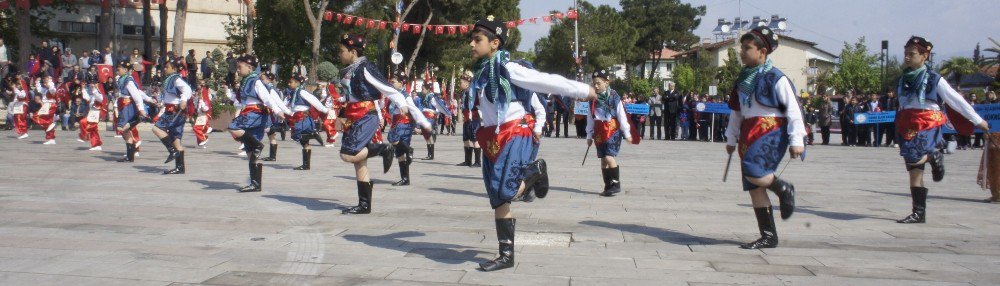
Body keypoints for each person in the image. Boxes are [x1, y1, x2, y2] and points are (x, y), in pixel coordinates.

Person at [466, 16, 596, 272]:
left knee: (507, 191)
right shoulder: (480, 73)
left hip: (516, 134)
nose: (471, 44)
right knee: (497, 198)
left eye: (477, 39)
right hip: (492, 138)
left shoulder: (509, 68)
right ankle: (506, 256)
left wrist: (583, 90)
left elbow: (546, 80)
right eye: (471, 39)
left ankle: (536, 170)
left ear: (495, 43)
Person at [723, 26, 803, 249]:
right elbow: (737, 111)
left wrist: (796, 139)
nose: (742, 53)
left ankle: (783, 188)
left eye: (747, 48)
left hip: (770, 129)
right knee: (753, 185)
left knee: (753, 170)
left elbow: (794, 110)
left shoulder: (776, 78)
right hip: (749, 131)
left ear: (762, 52)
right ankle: (768, 235)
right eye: (742, 48)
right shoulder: (742, 79)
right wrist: (731, 138)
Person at [893, 37, 989, 223]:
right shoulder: (903, 79)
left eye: (911, 54)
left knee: (915, 157)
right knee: (913, 168)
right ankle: (918, 212)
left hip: (927, 121)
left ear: (924, 56)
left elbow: (956, 100)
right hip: (907, 123)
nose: (907, 57)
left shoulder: (934, 79)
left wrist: (978, 120)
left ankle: (933, 156)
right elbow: (902, 103)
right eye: (905, 53)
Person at [334, 34, 431, 214]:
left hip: (365, 115)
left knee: (347, 154)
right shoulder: (349, 69)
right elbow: (349, 96)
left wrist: (401, 102)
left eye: (342, 51)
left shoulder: (365, 67)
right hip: (352, 115)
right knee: (359, 161)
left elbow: (385, 86)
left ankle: (383, 149)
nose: (339, 54)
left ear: (353, 51)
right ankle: (364, 204)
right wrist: (341, 116)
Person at [227, 55, 288, 192]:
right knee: (250, 153)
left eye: (240, 66)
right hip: (251, 113)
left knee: (233, 127)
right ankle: (255, 184)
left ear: (249, 67)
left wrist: (278, 111)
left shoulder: (255, 81)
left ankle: (257, 145)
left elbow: (267, 98)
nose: (238, 69)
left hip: (254, 114)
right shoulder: (246, 80)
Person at [586, 69, 635, 197]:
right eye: (594, 84)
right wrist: (589, 135)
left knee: (609, 156)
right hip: (598, 130)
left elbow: (621, 115)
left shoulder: (614, 96)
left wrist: (627, 133)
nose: (596, 86)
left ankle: (616, 183)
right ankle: (608, 185)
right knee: (603, 159)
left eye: (598, 83)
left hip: (612, 129)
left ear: (606, 83)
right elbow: (590, 118)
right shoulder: (592, 99)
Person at [386, 70, 431, 185]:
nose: (392, 84)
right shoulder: (392, 94)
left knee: (392, 138)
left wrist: (422, 124)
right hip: (397, 121)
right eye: (391, 82)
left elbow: (414, 110)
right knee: (400, 152)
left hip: (404, 122)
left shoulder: (406, 96)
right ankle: (405, 178)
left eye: (394, 82)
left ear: (401, 83)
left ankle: (409, 149)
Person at [151, 56, 193, 174]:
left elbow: (187, 90)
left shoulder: (176, 79)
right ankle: (180, 167)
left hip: (174, 111)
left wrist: (184, 100)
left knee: (156, 128)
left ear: (174, 68)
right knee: (175, 139)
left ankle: (172, 151)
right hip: (173, 110)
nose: (165, 69)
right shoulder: (171, 78)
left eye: (167, 67)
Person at [285, 74, 329, 170]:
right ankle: (306, 165)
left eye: (291, 82)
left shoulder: (302, 92)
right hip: (296, 117)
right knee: (304, 141)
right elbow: (289, 104)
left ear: (297, 83)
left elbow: (314, 101)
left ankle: (313, 134)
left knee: (299, 135)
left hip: (303, 117)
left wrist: (324, 110)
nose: (289, 84)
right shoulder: (293, 92)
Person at [114, 61, 150, 162]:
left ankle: (136, 122)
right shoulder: (121, 79)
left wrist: (141, 109)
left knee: (122, 127)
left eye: (119, 69)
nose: (117, 71)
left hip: (128, 105)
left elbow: (137, 95)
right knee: (124, 130)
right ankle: (130, 156)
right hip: (123, 104)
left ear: (125, 70)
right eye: (117, 69)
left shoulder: (128, 80)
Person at [457, 71, 482, 167]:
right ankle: (467, 161)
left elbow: (476, 104)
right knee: (466, 139)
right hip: (467, 119)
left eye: (461, 82)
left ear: (467, 84)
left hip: (473, 118)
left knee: (475, 139)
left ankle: (477, 162)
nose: (460, 84)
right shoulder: (463, 93)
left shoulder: (472, 93)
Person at [78, 76, 105, 151]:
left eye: (93, 83)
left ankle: (85, 137)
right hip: (91, 112)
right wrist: (83, 88)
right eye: (91, 83)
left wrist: (94, 89)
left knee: (88, 125)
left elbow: (100, 99)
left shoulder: (98, 92)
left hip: (96, 113)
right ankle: (96, 144)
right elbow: (87, 98)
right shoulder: (93, 94)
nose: (91, 85)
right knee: (93, 129)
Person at [33, 73, 59, 144]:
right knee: (45, 121)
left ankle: (51, 124)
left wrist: (49, 84)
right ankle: (51, 138)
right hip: (45, 105)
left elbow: (53, 90)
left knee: (36, 116)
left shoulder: (52, 87)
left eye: (46, 80)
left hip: (50, 105)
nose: (44, 82)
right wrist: (37, 82)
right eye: (44, 81)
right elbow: (39, 90)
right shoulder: (44, 89)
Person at [191, 79, 213, 148]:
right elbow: (196, 104)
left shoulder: (204, 92)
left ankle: (204, 139)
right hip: (199, 113)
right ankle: (202, 143)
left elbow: (206, 105)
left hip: (203, 114)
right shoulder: (198, 93)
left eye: (199, 85)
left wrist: (201, 102)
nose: (197, 86)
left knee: (196, 128)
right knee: (200, 130)